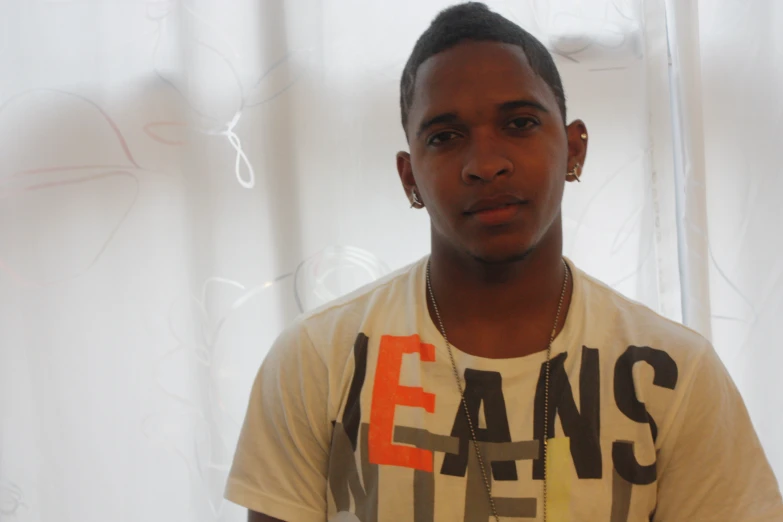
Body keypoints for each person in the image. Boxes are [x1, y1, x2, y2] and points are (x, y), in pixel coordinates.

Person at [225, 3, 783, 521]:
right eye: (445, 137)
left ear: (575, 148)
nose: (485, 164)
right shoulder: (316, 359)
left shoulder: (675, 372)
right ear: (408, 177)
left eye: (519, 123)